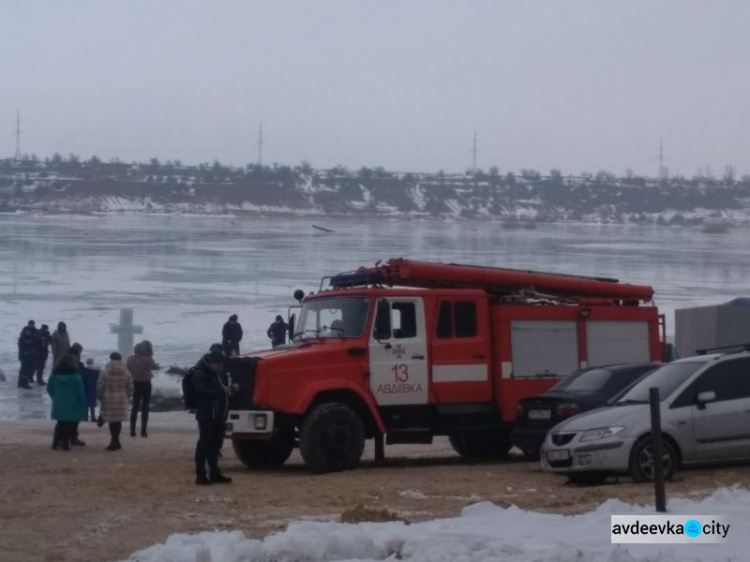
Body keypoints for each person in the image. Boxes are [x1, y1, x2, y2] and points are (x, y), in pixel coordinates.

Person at [193, 347, 236, 485]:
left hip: (219, 415)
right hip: (206, 415)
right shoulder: (201, 373)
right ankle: (200, 474)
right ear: (210, 362)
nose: (220, 367)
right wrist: (221, 391)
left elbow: (224, 391)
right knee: (204, 444)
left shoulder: (220, 373)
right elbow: (201, 392)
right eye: (218, 364)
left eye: (222, 364)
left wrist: (232, 389)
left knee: (216, 445)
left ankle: (214, 472)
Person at [47, 354, 86, 451]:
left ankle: (55, 443)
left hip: (59, 403)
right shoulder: (76, 376)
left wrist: (55, 397)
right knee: (69, 424)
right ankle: (65, 444)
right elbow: (80, 391)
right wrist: (82, 403)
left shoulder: (54, 374)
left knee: (60, 423)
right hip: (73, 404)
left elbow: (49, 388)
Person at [97, 352, 133, 451]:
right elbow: (130, 386)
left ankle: (114, 441)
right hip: (121, 398)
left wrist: (100, 397)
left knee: (112, 421)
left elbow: (100, 386)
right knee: (118, 421)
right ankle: (116, 441)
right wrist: (128, 397)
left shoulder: (105, 371)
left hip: (109, 398)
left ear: (110, 358)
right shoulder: (125, 371)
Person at [127, 340, 159, 437]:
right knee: (145, 407)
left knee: (135, 408)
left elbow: (128, 368)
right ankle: (143, 431)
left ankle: (132, 431)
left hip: (134, 383)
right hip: (146, 383)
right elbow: (155, 367)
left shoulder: (130, 359)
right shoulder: (148, 359)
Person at [66, 343, 87, 446]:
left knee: (67, 419)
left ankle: (67, 438)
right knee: (71, 419)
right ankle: (71, 438)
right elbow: (82, 378)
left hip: (67, 396)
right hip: (74, 395)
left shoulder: (61, 365)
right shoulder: (76, 366)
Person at [17, 320, 37, 389]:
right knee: (24, 370)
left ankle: (22, 383)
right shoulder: (23, 338)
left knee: (25, 369)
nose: (29, 332)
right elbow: (21, 346)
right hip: (24, 356)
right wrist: (24, 352)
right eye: (27, 331)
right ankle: (24, 384)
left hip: (29, 356)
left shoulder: (31, 336)